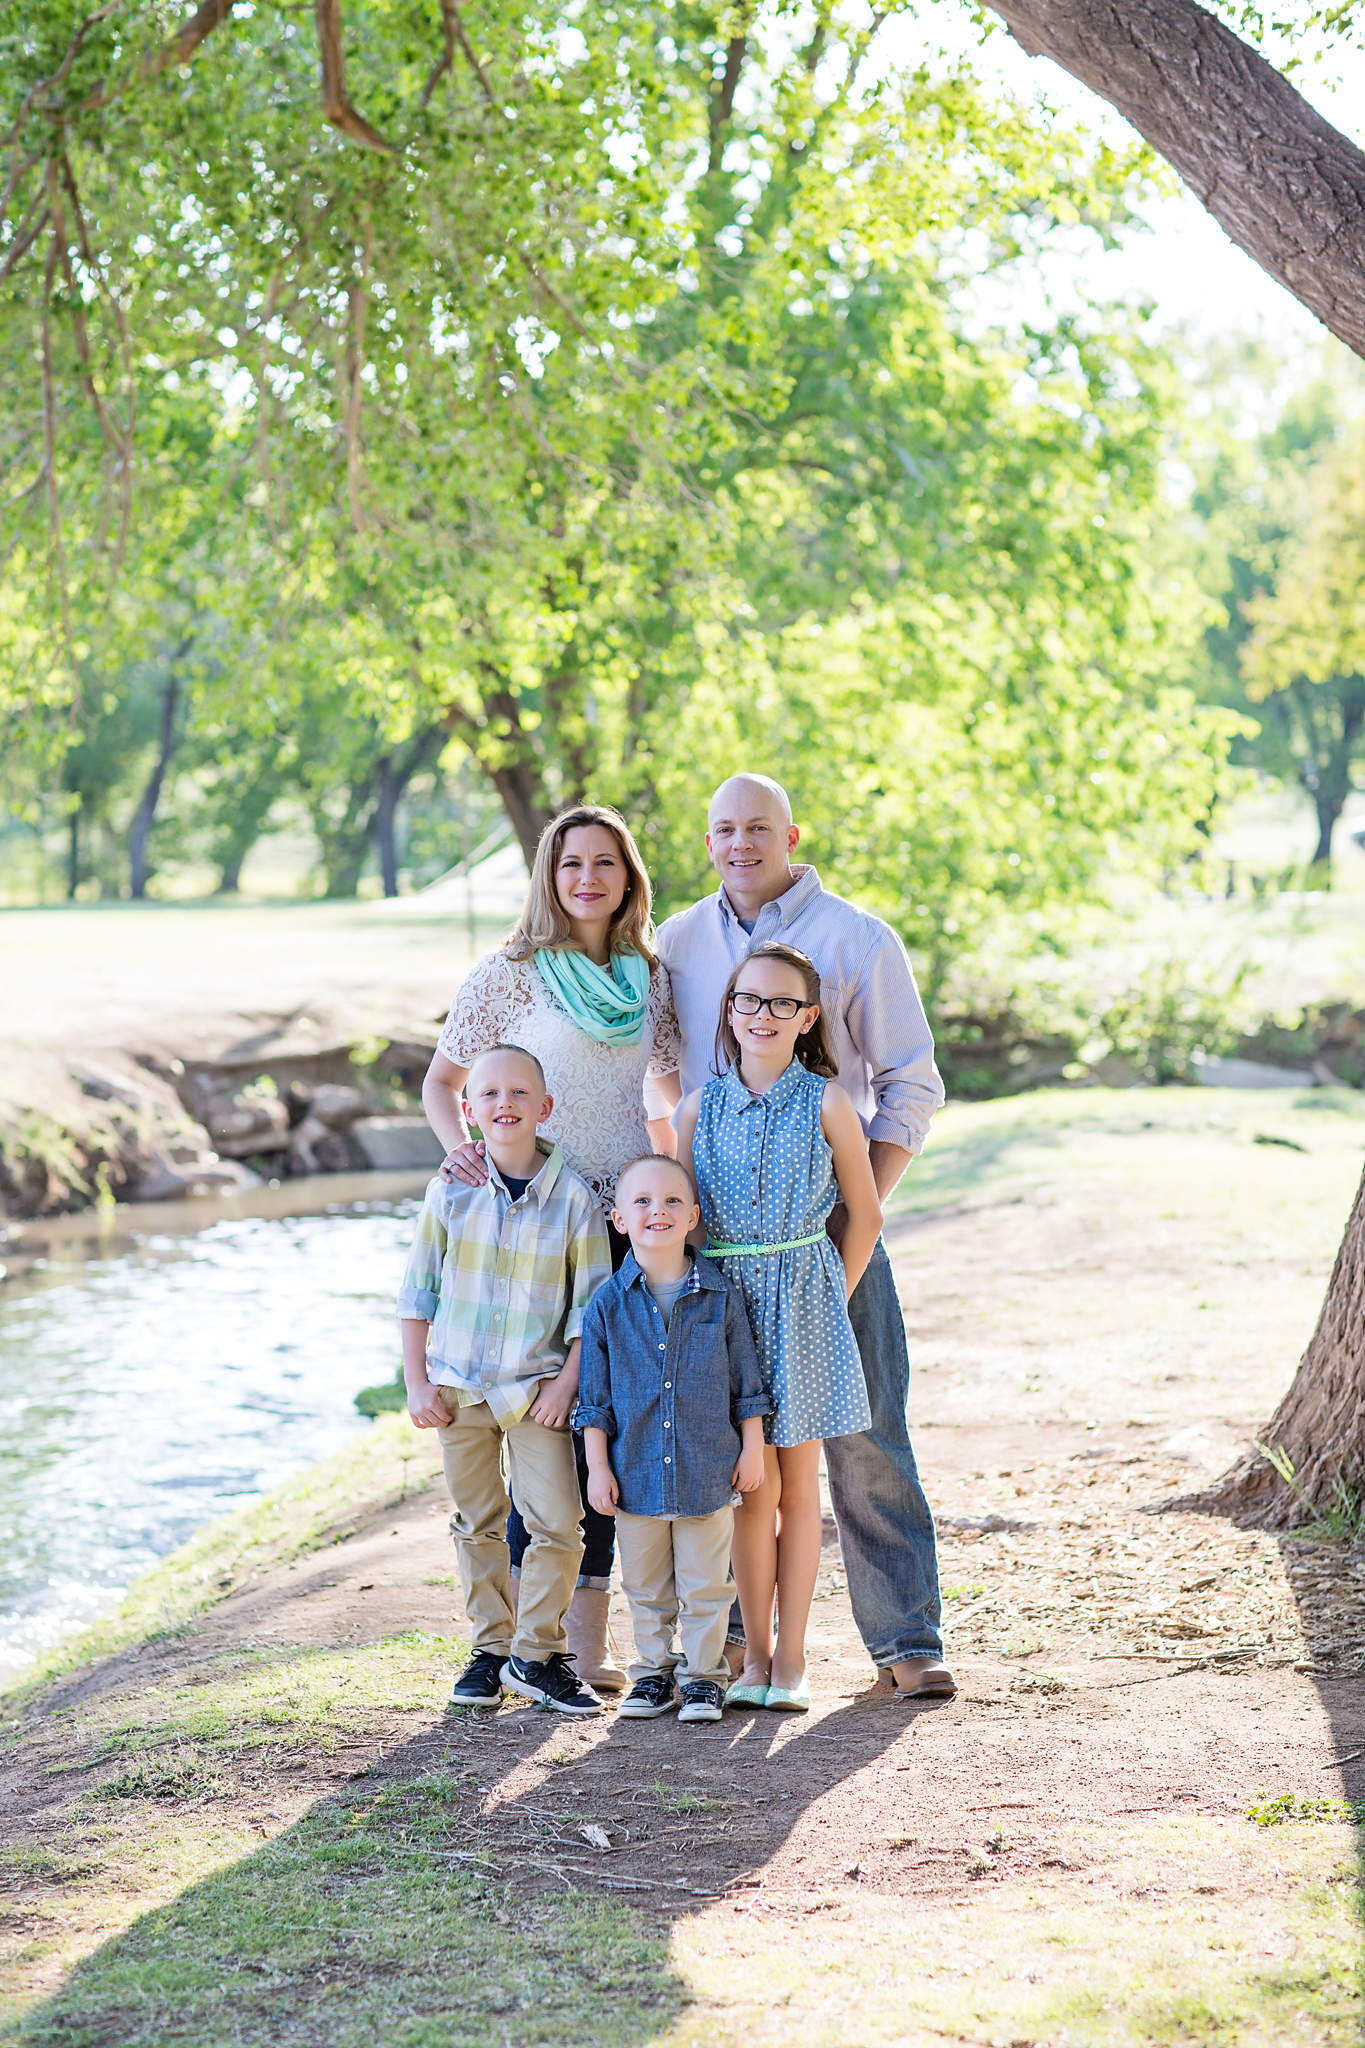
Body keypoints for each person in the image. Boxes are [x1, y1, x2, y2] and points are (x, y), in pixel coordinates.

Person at [653, 773, 955, 1699]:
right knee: (732, 1445)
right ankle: (739, 1643)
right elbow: (664, 1077)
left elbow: (910, 1084)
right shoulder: (676, 943)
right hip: (725, 1243)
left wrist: (846, 1217)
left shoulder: (858, 938)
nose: (741, 843)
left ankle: (905, 1639)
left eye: (758, 827)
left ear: (791, 833)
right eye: (723, 829)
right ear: (706, 843)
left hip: (823, 1230)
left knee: (864, 1438)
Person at [422, 804, 681, 1691]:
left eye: (604, 862)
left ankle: (588, 1638)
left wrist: (673, 1189)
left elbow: (666, 1090)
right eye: (570, 863)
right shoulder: (510, 973)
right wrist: (459, 1154)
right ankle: (541, 1645)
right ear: (548, 874)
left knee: (603, 1422)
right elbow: (444, 1081)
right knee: (546, 1423)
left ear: (628, 876)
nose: (586, 878)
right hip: (535, 1222)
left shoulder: (651, 977)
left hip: (626, 1225)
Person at [675, 943, 883, 1710]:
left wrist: (827, 1296)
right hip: (727, 1310)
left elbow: (864, 1215)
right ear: (728, 1009)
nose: (762, 1015)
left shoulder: (824, 1101)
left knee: (799, 1487)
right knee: (747, 1491)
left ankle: (791, 1659)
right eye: (747, 1000)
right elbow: (688, 1230)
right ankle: (752, 1656)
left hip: (803, 1303)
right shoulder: (696, 1108)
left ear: (808, 1018)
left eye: (781, 1004)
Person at [399, 1043, 611, 1716]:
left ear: (544, 1108)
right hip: (458, 1387)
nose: (504, 1104)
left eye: (519, 1093)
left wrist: (565, 1385)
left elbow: (589, 1309)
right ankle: (489, 1651)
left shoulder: (574, 1200)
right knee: (477, 1522)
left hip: (534, 1392)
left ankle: (536, 1654)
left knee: (558, 1525)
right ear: (468, 1111)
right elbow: (417, 1295)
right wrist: (416, 1383)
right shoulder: (449, 1191)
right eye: (488, 1094)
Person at [577, 1155, 770, 1723]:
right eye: (641, 1201)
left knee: (707, 1582)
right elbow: (595, 1399)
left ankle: (705, 1677)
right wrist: (597, 1467)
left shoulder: (720, 1294)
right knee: (644, 1582)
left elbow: (747, 1380)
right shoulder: (607, 1305)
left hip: (707, 1467)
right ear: (618, 1219)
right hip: (632, 1470)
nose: (656, 1211)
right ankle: (653, 1674)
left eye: (670, 1202)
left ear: (693, 1217)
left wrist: (752, 1446)